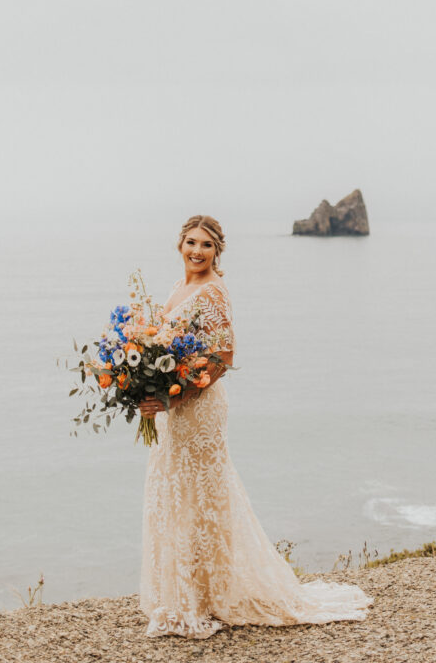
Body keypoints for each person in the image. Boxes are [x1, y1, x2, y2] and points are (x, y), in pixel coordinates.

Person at [139, 214, 373, 639]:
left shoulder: (213, 292)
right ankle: (187, 592)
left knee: (204, 493)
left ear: (217, 251)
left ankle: (210, 596)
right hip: (175, 410)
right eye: (191, 242)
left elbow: (223, 359)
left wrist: (174, 395)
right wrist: (148, 385)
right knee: (176, 491)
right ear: (179, 245)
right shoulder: (178, 288)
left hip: (199, 408)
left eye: (206, 245)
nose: (197, 251)